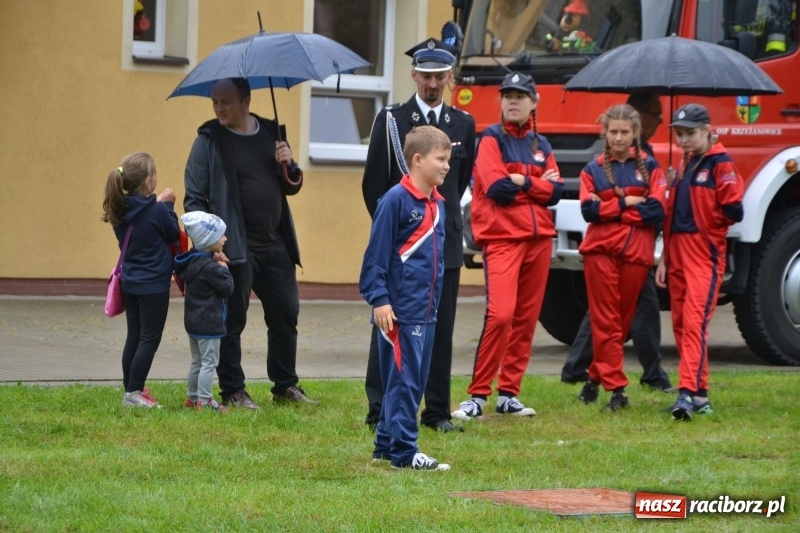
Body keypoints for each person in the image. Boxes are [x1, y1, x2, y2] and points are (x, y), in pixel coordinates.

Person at [361, 38, 476, 433]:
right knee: (391, 325)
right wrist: (397, 231)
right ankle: (379, 408)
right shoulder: (392, 120)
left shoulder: (463, 124)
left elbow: (457, 183)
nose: (432, 83)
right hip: (403, 247)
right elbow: (374, 184)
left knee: (439, 328)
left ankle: (437, 412)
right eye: (426, 75)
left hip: (443, 243)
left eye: (440, 76)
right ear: (414, 75)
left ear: (449, 77)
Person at [184, 77, 316, 409]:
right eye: (214, 102)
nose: (218, 108)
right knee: (232, 321)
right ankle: (233, 390)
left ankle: (285, 385)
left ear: (246, 101)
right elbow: (194, 201)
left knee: (286, 312)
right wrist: (213, 245)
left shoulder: (272, 133)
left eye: (225, 102)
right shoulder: (208, 141)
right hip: (234, 249)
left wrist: (289, 163)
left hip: (275, 244)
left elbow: (292, 185)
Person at [452, 72, 563, 421]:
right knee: (500, 315)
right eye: (508, 95)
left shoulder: (541, 145)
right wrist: (535, 185)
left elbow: (558, 192)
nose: (513, 101)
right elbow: (498, 189)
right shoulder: (490, 140)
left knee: (526, 319)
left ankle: (509, 394)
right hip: (502, 239)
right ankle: (478, 395)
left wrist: (521, 181)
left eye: (520, 95)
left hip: (539, 239)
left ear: (534, 101)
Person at [561, 91, 674, 392]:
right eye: (613, 132)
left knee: (620, 323)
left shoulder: (650, 167)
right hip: (601, 251)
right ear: (605, 132)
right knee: (606, 319)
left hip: (636, 252)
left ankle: (594, 378)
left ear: (636, 133)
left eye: (625, 132)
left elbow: (656, 210)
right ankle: (617, 387)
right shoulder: (592, 169)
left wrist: (611, 205)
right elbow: (589, 210)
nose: (619, 138)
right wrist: (627, 202)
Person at [360, 125, 451, 470]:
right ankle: (405, 453)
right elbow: (375, 259)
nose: (446, 166)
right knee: (406, 383)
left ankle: (385, 446)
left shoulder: (437, 204)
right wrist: (380, 299)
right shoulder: (395, 201)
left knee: (409, 379)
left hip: (425, 311)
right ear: (418, 159)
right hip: (400, 312)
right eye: (440, 159)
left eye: (448, 159)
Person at [656, 103, 744, 421]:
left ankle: (686, 393)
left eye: (690, 133)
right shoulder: (684, 164)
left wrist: (712, 225)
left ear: (707, 130)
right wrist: (665, 258)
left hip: (703, 254)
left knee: (694, 323)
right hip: (677, 251)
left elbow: (734, 209)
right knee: (681, 324)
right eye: (679, 134)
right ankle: (700, 395)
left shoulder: (721, 163)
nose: (683, 140)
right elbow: (672, 216)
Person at [101, 152, 180, 408]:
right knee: (149, 338)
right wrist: (168, 205)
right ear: (147, 181)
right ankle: (134, 393)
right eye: (154, 173)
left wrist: (158, 205)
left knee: (134, 336)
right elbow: (171, 234)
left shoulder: (120, 210)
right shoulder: (156, 209)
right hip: (153, 284)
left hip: (130, 283)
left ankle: (130, 389)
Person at [175, 211, 235, 412]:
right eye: (221, 236)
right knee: (209, 363)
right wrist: (223, 266)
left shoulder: (193, 261)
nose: (225, 238)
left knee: (197, 362)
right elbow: (228, 288)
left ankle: (193, 399)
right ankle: (205, 401)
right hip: (209, 324)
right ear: (209, 240)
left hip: (193, 322)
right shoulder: (211, 267)